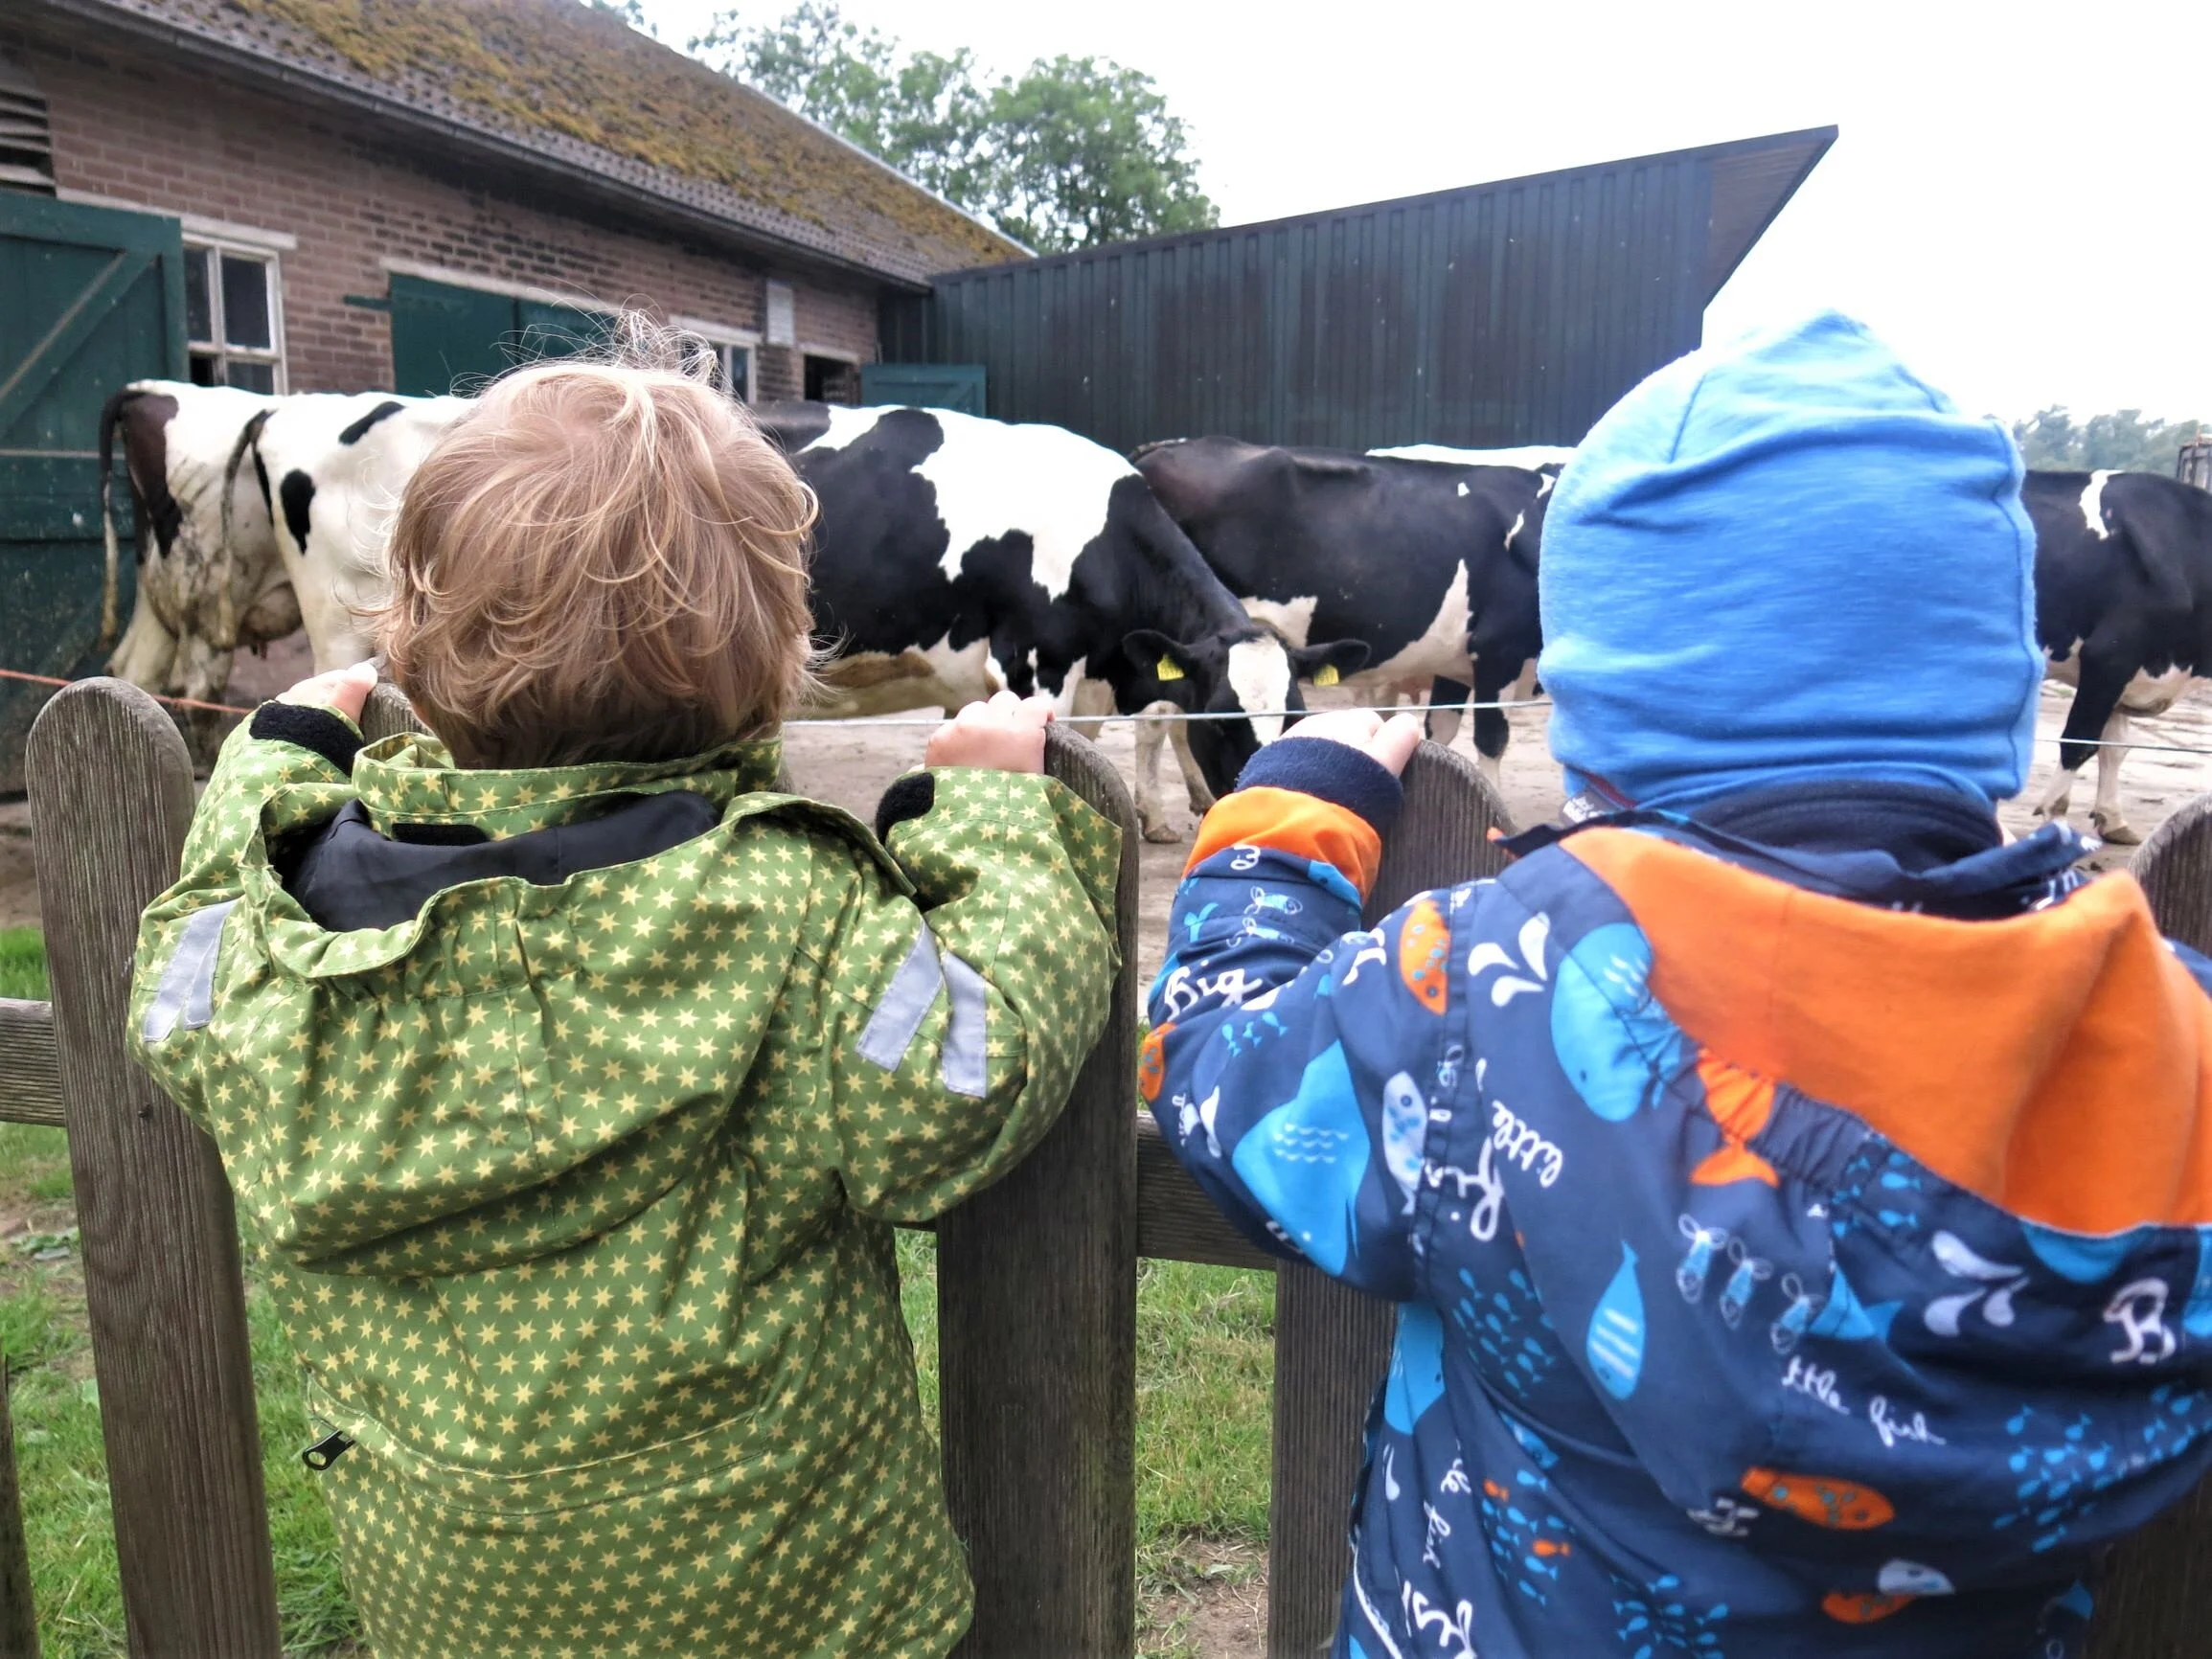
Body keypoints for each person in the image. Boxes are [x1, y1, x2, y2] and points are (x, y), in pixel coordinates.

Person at [1144, 310, 2212, 1657]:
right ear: (1997, 698)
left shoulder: (1488, 989)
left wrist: (1286, 819)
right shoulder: (2178, 1046)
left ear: (1605, 717)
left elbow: (1214, 1066)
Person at [127, 338, 1120, 1658]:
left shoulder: (287, 941)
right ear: (778, 654)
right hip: (788, 1612)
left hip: (455, 1609)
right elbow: (959, 1069)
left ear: (409, 634)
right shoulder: (779, 917)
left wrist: (270, 767)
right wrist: (993, 818)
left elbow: (178, 986)